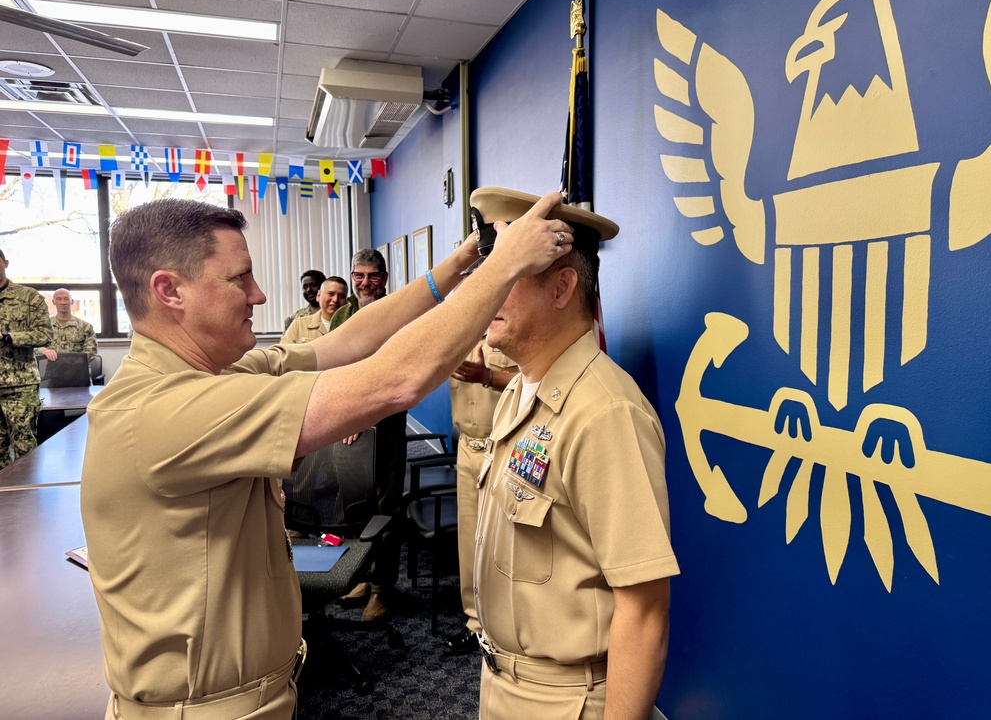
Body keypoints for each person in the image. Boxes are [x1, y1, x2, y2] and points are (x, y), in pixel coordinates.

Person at [80, 196, 574, 719]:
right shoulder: (164, 410)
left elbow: (355, 339)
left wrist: (462, 261)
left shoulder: (217, 374)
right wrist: (504, 266)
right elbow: (395, 379)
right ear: (169, 290)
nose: (259, 294)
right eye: (238, 279)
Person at [469, 188, 679, 720]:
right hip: (504, 684)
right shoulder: (519, 391)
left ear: (562, 287)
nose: (484, 289)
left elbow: (645, 609)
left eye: (507, 270)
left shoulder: (605, 413)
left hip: (565, 701)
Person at [327, 248, 407, 622]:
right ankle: (363, 576)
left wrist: (365, 415)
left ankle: (382, 590)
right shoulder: (343, 315)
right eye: (358, 276)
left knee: (385, 509)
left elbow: (395, 373)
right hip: (350, 429)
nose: (364, 283)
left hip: (385, 424)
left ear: (385, 277)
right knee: (355, 507)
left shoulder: (398, 313)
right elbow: (335, 369)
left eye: (372, 276)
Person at [442, 337, 518, 655]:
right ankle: (475, 625)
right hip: (466, 448)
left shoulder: (511, 328)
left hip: (502, 447)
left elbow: (534, 378)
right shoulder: (455, 332)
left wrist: (486, 376)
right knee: (469, 542)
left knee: (507, 542)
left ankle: (508, 628)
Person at [0, 247, 53, 469]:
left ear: (5, 263)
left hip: (19, 386)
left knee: (24, 450)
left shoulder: (28, 297)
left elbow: (45, 334)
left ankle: (28, 501)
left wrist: (9, 337)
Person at [280, 276, 348, 344]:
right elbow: (283, 353)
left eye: (341, 296)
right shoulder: (299, 325)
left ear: (346, 301)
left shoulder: (351, 324)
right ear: (318, 295)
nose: (335, 300)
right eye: (331, 294)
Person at [37, 288, 98, 362]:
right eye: (59, 299)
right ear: (53, 302)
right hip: (53, 369)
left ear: (72, 301)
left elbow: (91, 351)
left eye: (66, 299)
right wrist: (44, 350)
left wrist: (72, 364)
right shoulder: (44, 325)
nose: (63, 302)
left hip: (78, 369)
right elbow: (33, 347)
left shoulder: (85, 327)